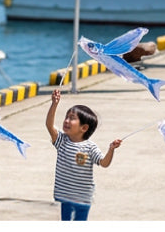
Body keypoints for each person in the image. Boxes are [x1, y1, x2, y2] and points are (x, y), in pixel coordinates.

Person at [45, 88, 121, 221]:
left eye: (72, 118)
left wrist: (111, 149)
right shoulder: (62, 141)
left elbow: (104, 163)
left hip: (83, 198)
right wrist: (54, 104)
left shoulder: (90, 147)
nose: (66, 121)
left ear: (84, 128)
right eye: (66, 117)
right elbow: (49, 125)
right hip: (63, 196)